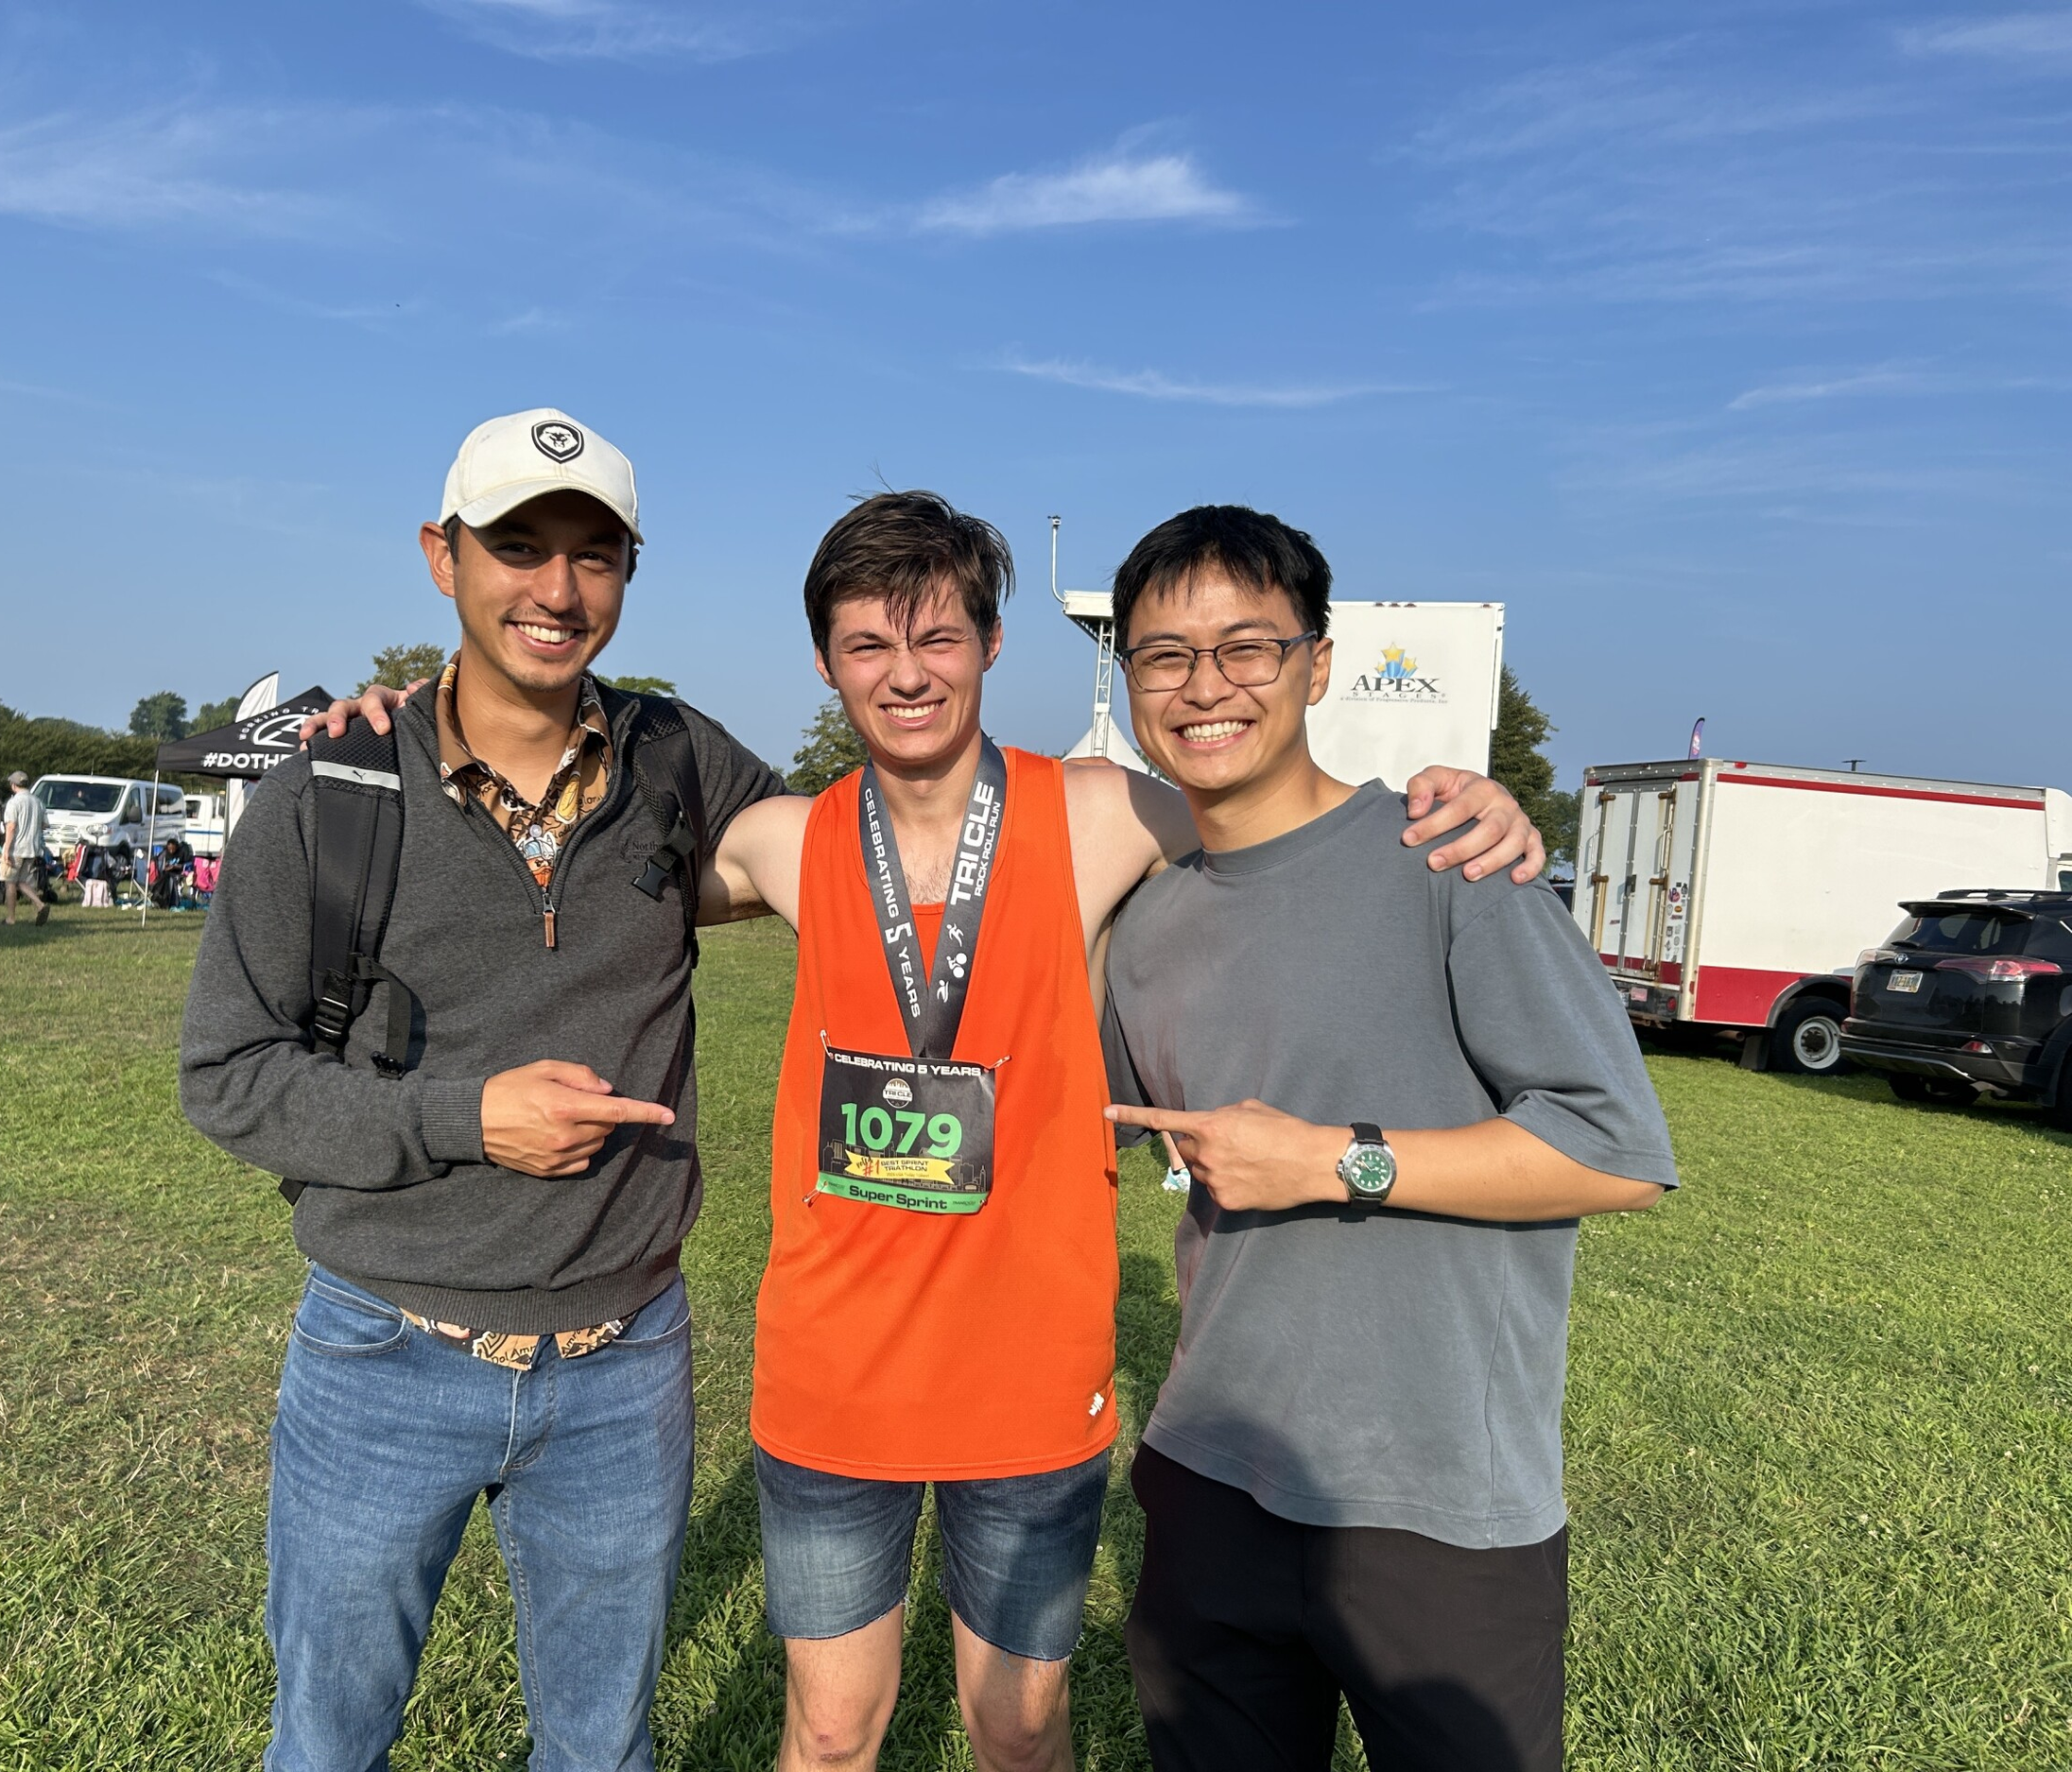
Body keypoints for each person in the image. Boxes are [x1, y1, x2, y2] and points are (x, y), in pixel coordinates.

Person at [319, 491, 1542, 1772]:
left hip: (1028, 1373)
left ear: (992, 644)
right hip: (833, 1376)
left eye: (939, 639)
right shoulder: (780, 841)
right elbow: (551, 827)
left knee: (1017, 1728)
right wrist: (411, 716)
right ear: (826, 660)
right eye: (868, 645)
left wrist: (1447, 797)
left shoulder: (1100, 811)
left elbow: (1292, 815)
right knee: (834, 1727)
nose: (907, 675)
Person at [181, 409, 785, 1772]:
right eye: (517, 544)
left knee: (600, 1749)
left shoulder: (675, 757)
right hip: (383, 1351)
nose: (557, 590)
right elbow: (228, 1075)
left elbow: (852, 850)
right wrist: (467, 1116)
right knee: (328, 1742)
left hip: (625, 1360)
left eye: (596, 554)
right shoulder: (330, 788)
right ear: (439, 554)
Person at [1096, 506, 1679, 1772]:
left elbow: (1619, 1149)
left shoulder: (1449, 859)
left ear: (1317, 662)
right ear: (1128, 679)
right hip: (1210, 1476)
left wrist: (1335, 1157)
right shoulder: (1142, 929)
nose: (1205, 686)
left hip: (1439, 1510)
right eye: (1163, 655)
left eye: (1246, 646)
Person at [0, 771, 49, 926]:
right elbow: (45, 825)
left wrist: (6, 849)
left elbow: (11, 827)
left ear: (13, 785)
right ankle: (39, 904)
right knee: (21, 881)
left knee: (10, 882)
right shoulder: (38, 802)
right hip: (32, 848)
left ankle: (11, 918)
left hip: (17, 848)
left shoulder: (14, 803)